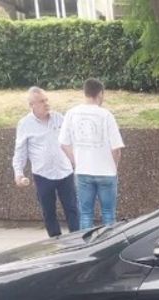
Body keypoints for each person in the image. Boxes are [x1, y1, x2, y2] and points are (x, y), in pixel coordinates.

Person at [13, 87, 78, 237]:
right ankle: (55, 241)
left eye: (46, 100)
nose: (46, 103)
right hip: (43, 174)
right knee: (48, 212)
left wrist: (77, 162)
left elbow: (73, 142)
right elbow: (20, 151)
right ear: (32, 105)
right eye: (42, 101)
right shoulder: (25, 124)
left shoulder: (60, 118)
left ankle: (78, 240)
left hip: (65, 172)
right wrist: (18, 173)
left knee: (72, 209)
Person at [59, 78, 124, 230]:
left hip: (83, 171)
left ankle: (86, 246)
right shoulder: (106, 115)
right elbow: (116, 148)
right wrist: (114, 167)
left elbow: (63, 143)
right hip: (106, 171)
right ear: (100, 93)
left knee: (86, 214)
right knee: (108, 213)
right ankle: (109, 246)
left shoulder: (71, 113)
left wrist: (76, 161)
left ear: (85, 92)